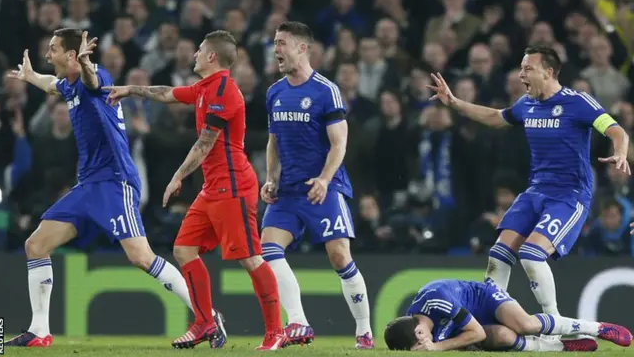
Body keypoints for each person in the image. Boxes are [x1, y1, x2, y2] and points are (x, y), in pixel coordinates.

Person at [3, 28, 219, 348]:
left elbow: (94, 83)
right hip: (88, 185)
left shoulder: (96, 76)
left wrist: (89, 66)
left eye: (53, 50)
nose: (47, 55)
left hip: (114, 182)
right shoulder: (69, 84)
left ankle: (210, 317)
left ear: (72, 56)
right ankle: (39, 331)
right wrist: (33, 76)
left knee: (141, 257)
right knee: (36, 245)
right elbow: (53, 86)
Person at [103, 30, 286, 351]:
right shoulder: (204, 86)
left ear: (212, 56)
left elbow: (205, 142)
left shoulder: (225, 91)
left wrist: (177, 177)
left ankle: (276, 331)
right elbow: (167, 93)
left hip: (234, 186)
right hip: (213, 187)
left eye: (200, 50)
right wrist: (130, 89)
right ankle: (205, 322)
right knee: (183, 249)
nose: (195, 54)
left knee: (251, 259)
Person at [428, 45, 631, 318]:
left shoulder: (578, 102)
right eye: (521, 68)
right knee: (498, 254)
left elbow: (616, 130)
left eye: (528, 69)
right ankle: (490, 320)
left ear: (548, 72)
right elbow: (495, 117)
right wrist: (454, 102)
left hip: (569, 195)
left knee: (532, 255)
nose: (521, 74)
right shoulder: (527, 104)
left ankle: (555, 324)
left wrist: (619, 151)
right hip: (535, 191)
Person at [260, 21, 373, 349]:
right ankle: (297, 321)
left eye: (282, 43)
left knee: (339, 257)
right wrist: (270, 178)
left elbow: (339, 143)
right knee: (268, 250)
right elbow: (273, 141)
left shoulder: (326, 91)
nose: (276, 49)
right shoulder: (274, 92)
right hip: (288, 191)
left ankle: (364, 330)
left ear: (302, 48)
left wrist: (324, 180)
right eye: (275, 43)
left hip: (325, 187)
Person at [383, 279, 633, 351]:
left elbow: (477, 332)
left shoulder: (437, 299)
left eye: (420, 344)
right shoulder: (414, 323)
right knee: (502, 336)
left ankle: (597, 328)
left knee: (525, 324)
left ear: (418, 332)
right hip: (468, 321)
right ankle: (561, 347)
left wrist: (438, 348)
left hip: (483, 299)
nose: (424, 347)